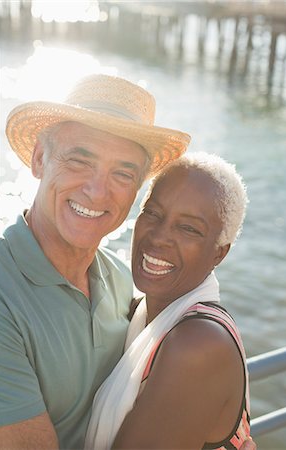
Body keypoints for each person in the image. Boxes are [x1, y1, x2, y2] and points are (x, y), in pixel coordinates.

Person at [0, 73, 191, 450]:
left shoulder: (119, 277)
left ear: (137, 190)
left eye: (122, 173)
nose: (97, 191)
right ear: (39, 159)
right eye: (79, 161)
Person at [85, 152, 252, 450]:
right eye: (153, 213)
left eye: (188, 228)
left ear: (219, 253)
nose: (159, 237)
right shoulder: (141, 311)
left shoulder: (197, 345)